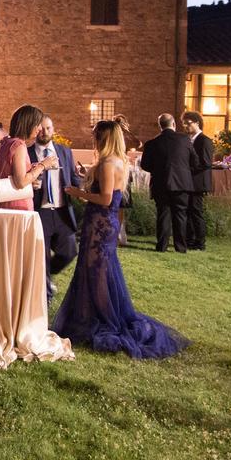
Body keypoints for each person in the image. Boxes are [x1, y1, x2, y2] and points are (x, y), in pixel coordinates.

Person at [54, 120, 189, 358]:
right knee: (98, 271)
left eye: (97, 136)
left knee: (97, 273)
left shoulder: (108, 163)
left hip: (100, 224)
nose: (94, 139)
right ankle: (92, 314)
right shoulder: (117, 161)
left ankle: (104, 318)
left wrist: (77, 192)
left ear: (104, 139)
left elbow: (105, 199)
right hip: (104, 224)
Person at [28, 116, 81, 297]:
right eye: (41, 129)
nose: (45, 132)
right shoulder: (27, 153)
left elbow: (73, 178)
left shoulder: (64, 151)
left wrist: (83, 188)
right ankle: (45, 296)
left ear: (53, 129)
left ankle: (47, 276)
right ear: (36, 130)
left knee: (69, 251)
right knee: (41, 257)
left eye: (48, 128)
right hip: (39, 211)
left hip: (61, 211)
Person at [140, 114, 201, 253]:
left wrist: (158, 169)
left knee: (163, 214)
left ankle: (162, 245)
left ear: (160, 125)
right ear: (173, 124)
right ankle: (180, 246)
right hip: (181, 183)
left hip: (160, 183)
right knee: (180, 215)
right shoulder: (185, 140)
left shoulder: (151, 143)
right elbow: (195, 162)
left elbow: (145, 165)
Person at [0, 105, 57, 211]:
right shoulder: (18, 145)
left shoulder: (5, 143)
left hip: (5, 204)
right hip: (18, 206)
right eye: (38, 124)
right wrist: (42, 165)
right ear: (29, 124)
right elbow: (20, 182)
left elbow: (8, 173)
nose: (40, 128)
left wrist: (32, 172)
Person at [182, 111, 215, 252]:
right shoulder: (188, 139)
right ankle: (189, 240)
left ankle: (200, 243)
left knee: (196, 212)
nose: (185, 126)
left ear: (197, 123)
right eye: (184, 123)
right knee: (188, 212)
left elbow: (206, 163)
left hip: (198, 182)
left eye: (188, 123)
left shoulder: (204, 140)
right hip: (189, 182)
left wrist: (188, 169)